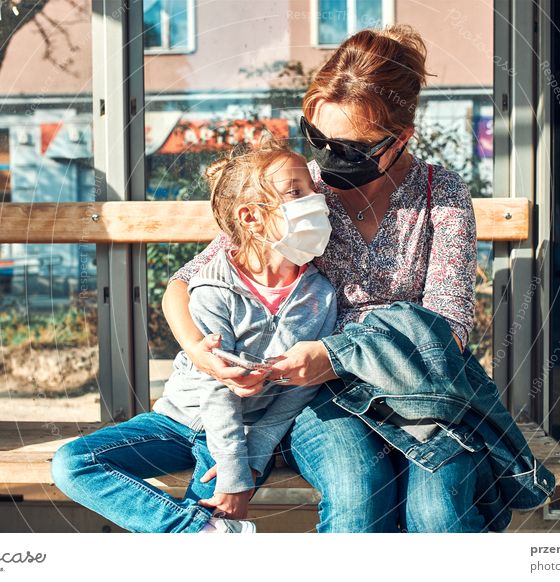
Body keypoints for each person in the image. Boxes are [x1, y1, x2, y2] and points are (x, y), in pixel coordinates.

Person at [162, 25, 490, 532]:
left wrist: (336, 355)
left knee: (438, 512)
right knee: (358, 495)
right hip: (316, 394)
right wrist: (202, 353)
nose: (329, 160)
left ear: (400, 139)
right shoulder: (299, 192)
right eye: (319, 139)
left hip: (417, 383)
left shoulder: (439, 194)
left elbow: (449, 326)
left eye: (352, 149)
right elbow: (189, 281)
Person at [51, 141, 338, 533]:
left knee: (215, 506)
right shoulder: (212, 286)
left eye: (312, 190)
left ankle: (205, 534)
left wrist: (247, 462)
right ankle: (200, 534)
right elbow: (215, 386)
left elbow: (297, 392)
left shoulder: (320, 294)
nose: (315, 201)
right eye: (296, 192)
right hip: (174, 422)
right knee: (73, 462)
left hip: (246, 433)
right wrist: (234, 476)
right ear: (251, 216)